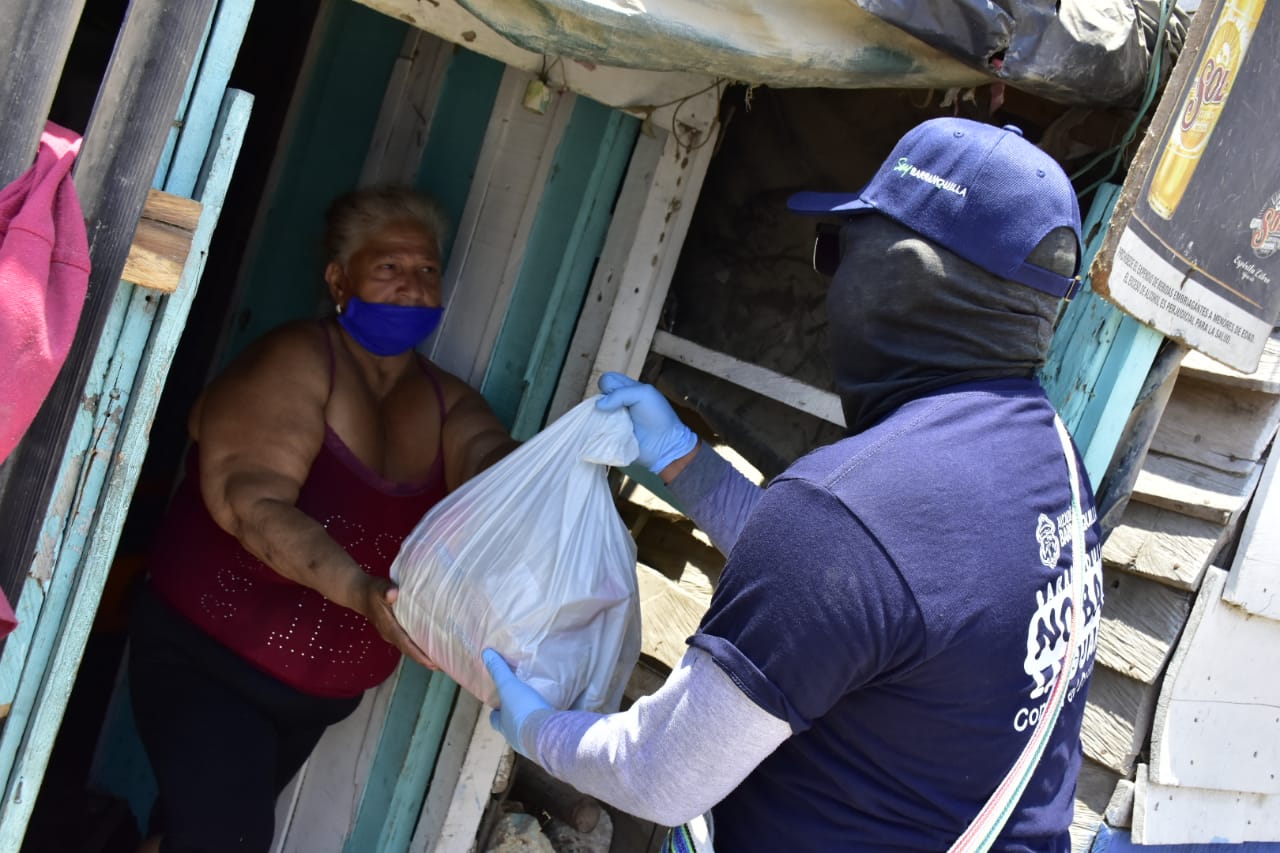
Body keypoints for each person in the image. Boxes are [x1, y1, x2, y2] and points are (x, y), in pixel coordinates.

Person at [481, 117, 1106, 851]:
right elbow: (861, 601)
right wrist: (686, 461)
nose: (828, 281)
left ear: (901, 276)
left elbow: (659, 775)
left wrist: (538, 729)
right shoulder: (1048, 458)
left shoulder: (851, 510)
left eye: (838, 251)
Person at [127, 185, 517, 853]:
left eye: (426, 270)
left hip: (314, 698)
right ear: (339, 278)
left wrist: (554, 478)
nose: (413, 287)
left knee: (186, 835)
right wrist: (363, 591)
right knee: (224, 839)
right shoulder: (297, 361)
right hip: (209, 659)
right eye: (388, 268)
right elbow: (252, 504)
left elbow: (496, 465)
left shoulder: (448, 402)